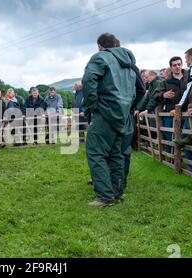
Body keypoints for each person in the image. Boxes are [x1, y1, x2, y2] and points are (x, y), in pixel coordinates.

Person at [81, 33, 137, 207]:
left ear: (100, 46)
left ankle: (105, 196)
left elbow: (88, 79)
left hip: (105, 112)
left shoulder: (100, 57)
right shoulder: (129, 64)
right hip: (123, 113)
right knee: (116, 154)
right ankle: (117, 192)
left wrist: (92, 106)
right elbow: (137, 89)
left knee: (96, 152)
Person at [153, 57, 190, 156]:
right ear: (171, 67)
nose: (177, 67)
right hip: (170, 113)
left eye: (179, 64)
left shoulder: (189, 78)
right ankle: (172, 156)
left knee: (185, 135)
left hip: (186, 112)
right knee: (170, 135)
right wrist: (163, 95)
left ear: (182, 65)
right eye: (174, 65)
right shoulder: (165, 82)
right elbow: (155, 95)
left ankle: (185, 157)